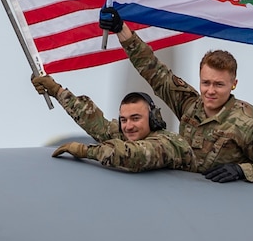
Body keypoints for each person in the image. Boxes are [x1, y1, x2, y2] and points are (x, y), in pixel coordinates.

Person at [96, 7, 253, 185]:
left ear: (234, 84)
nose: (210, 91)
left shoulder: (249, 124)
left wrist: (242, 170)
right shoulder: (189, 104)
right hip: (183, 194)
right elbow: (153, 70)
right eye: (206, 83)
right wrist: (121, 30)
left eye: (219, 85)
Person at [29, 74, 190, 173]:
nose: (128, 126)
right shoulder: (128, 134)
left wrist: (85, 151)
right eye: (124, 120)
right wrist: (57, 91)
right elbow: (97, 123)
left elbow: (134, 155)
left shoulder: (167, 144)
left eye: (135, 118)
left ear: (153, 118)